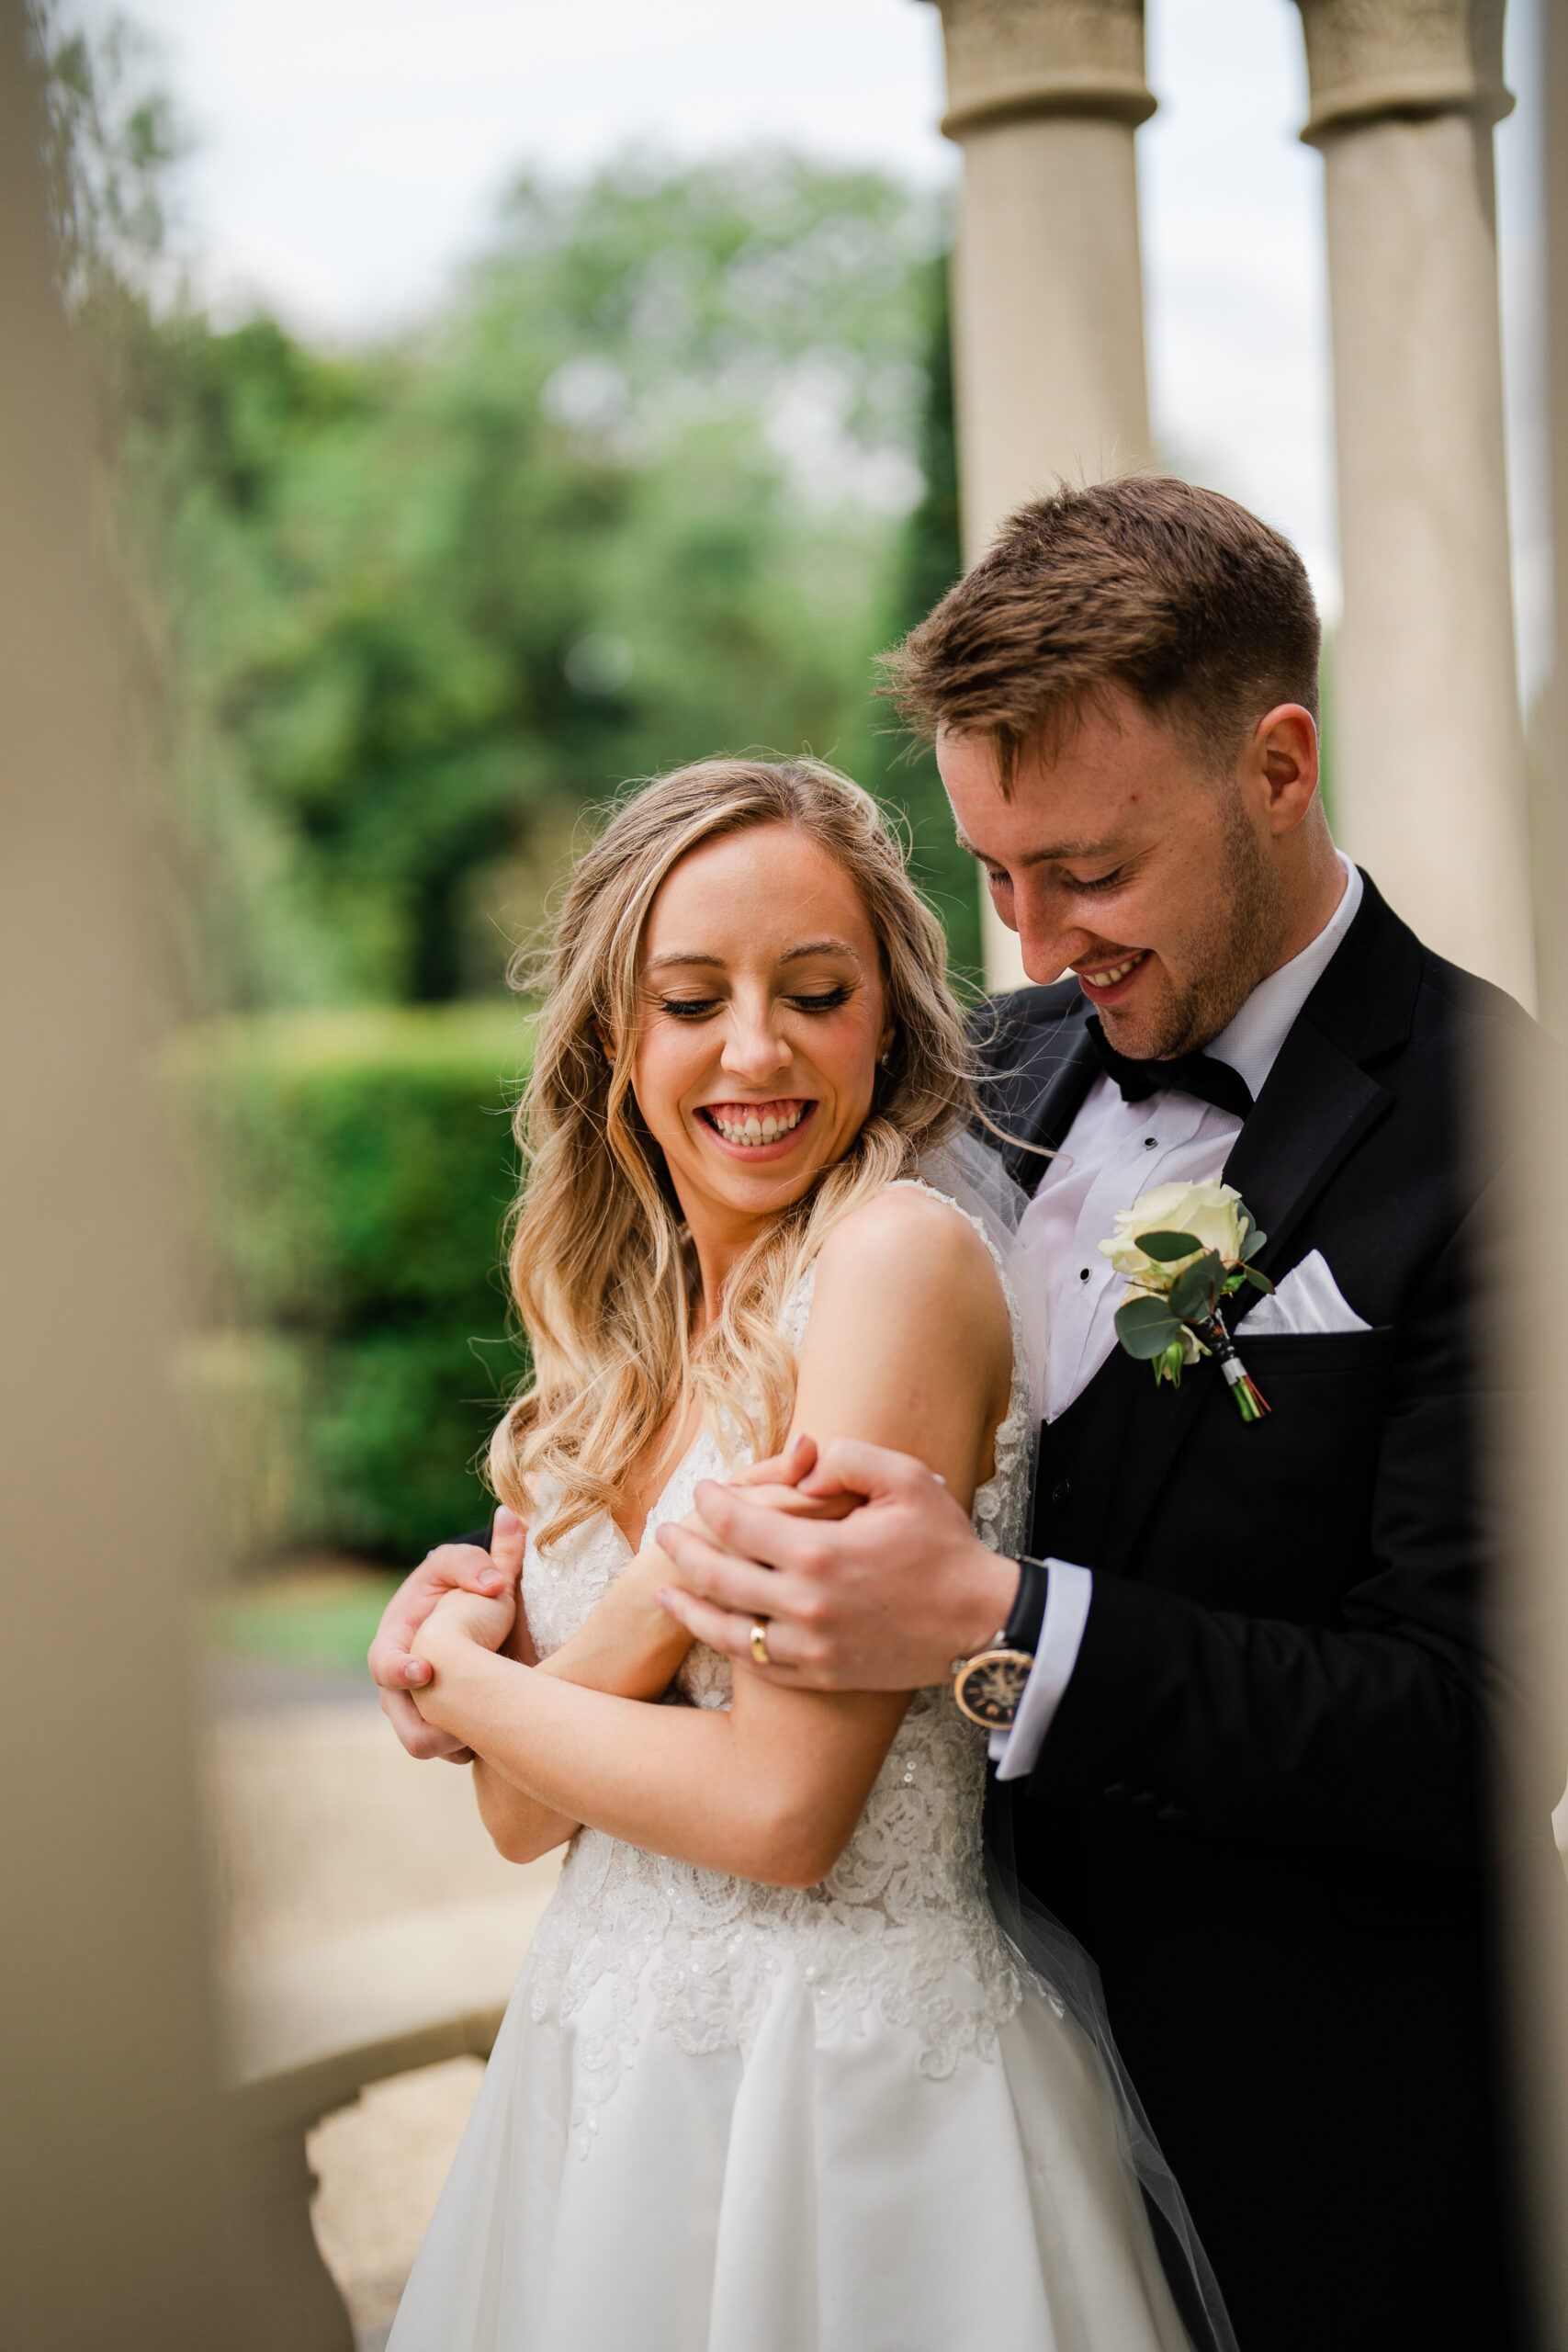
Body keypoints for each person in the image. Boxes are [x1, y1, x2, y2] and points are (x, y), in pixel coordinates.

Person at [637, 481, 1560, 2351]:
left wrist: (996, 1622)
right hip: (931, 2141)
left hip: (1319, 2147)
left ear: (1277, 766)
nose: (1037, 937)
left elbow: (1472, 1725)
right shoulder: (975, 1078)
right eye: (991, 872)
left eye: (1089, 868)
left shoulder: (1498, 1130)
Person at [377, 756, 1217, 2352]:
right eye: (691, 1000)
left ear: (886, 1019)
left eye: (814, 992)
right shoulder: (618, 1339)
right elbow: (515, 1817)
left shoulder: (891, 1265)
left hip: (845, 2103)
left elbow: (781, 1813)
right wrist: (621, 1615)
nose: (754, 1051)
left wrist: (462, 1677)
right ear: (618, 1040)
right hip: (600, 2087)